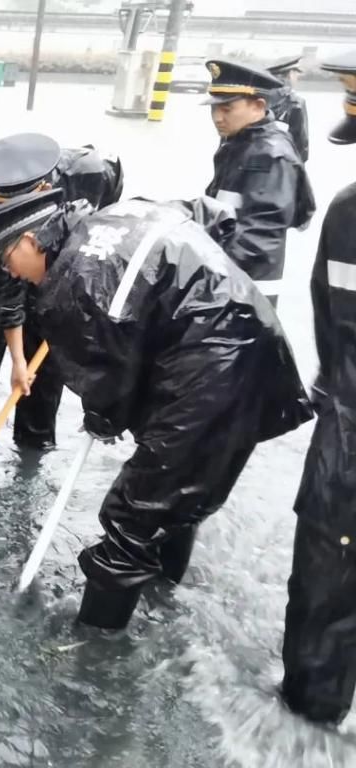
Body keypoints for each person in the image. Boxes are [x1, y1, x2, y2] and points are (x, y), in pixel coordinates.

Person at [0, 189, 311, 630]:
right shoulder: (118, 214)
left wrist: (102, 414)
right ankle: (162, 594)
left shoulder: (73, 282)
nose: (11, 272)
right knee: (174, 495)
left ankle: (94, 643)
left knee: (132, 514)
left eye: (7, 260)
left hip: (208, 380)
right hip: (254, 348)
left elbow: (107, 386)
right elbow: (213, 214)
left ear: (30, 239)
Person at [0, 133, 123, 451]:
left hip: (54, 265)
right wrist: (17, 361)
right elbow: (6, 294)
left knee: (47, 351)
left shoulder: (90, 174)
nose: (9, 218)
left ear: (44, 191)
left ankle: (34, 441)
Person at [280, 52, 356, 726]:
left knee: (328, 593)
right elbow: (331, 322)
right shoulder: (347, 213)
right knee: (323, 596)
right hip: (344, 433)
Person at [203, 59, 315, 308]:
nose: (217, 117)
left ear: (258, 106)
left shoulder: (269, 156)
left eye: (227, 109)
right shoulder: (238, 142)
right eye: (214, 109)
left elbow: (259, 235)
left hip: (245, 286)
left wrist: (206, 270)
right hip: (227, 277)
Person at [266, 55, 310, 163]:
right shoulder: (295, 102)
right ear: (290, 74)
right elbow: (301, 144)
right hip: (284, 163)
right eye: (296, 73)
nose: (297, 77)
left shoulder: (256, 97)